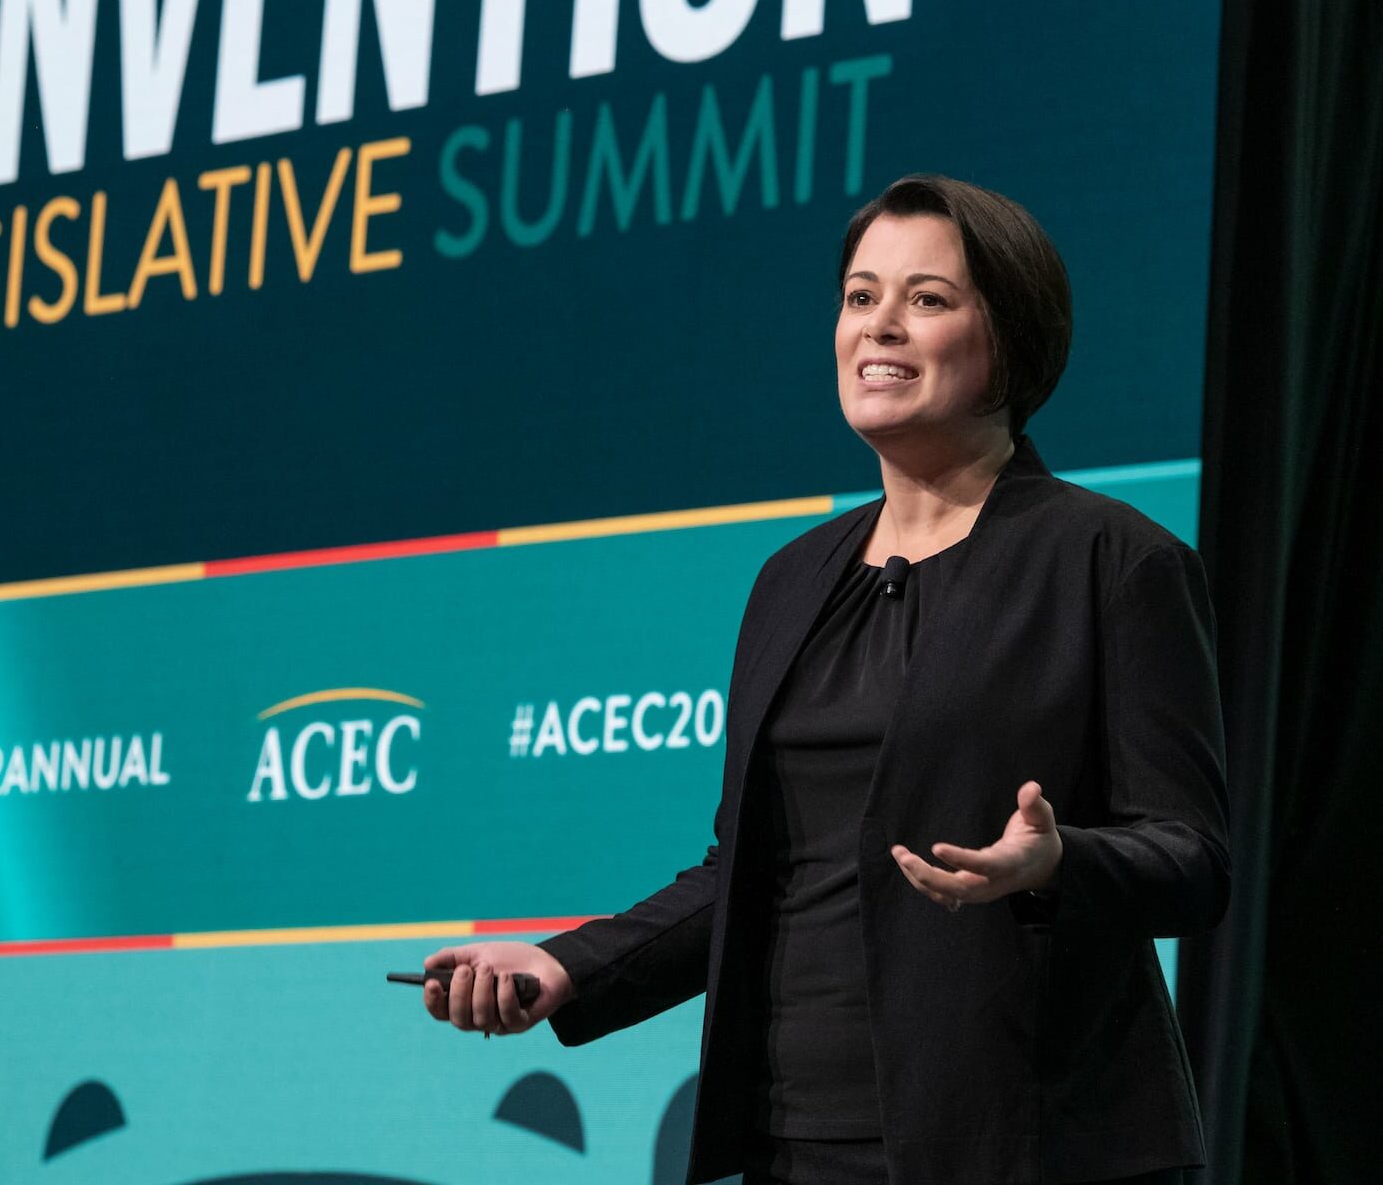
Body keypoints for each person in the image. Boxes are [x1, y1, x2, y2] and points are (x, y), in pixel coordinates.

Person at [418, 175, 1230, 1185]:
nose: (878, 326)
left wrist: (1057, 862)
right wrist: (565, 965)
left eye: (926, 299)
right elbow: (747, 870)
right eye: (858, 296)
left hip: (1021, 1144)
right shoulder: (791, 579)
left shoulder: (1112, 560)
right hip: (793, 1140)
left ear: (1008, 338)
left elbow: (1191, 857)